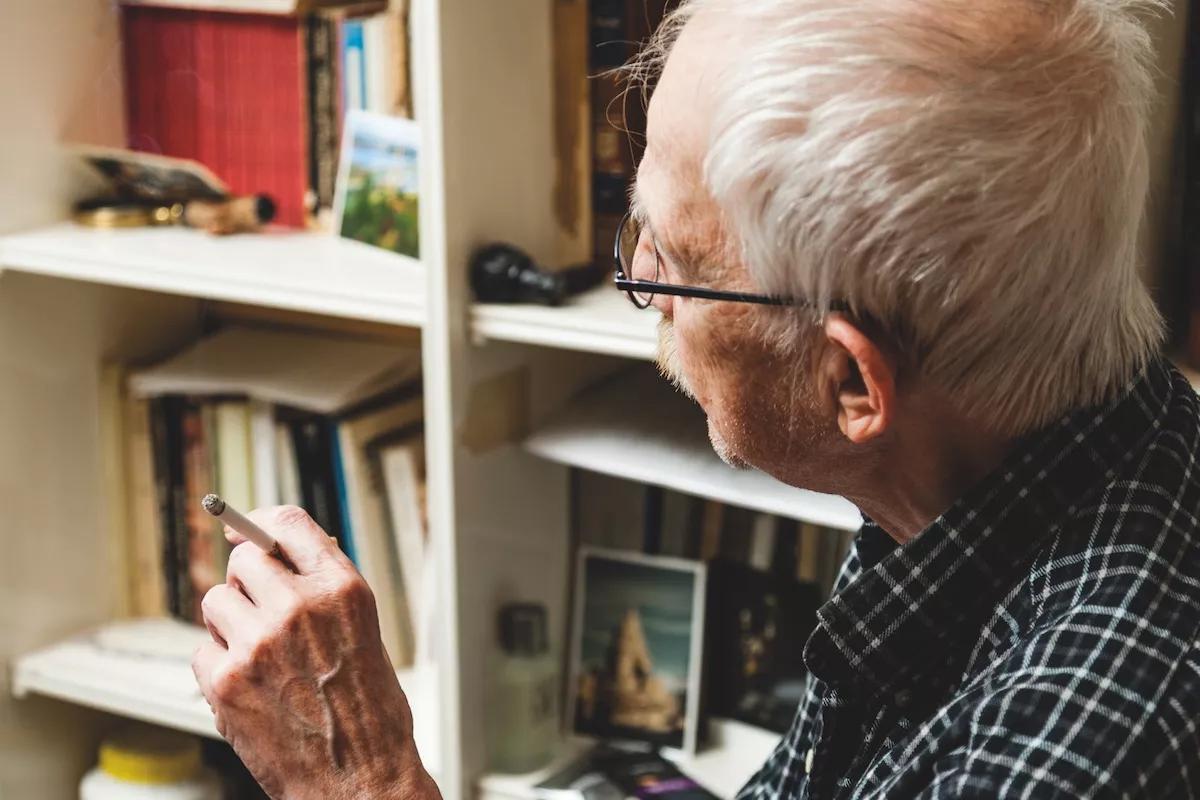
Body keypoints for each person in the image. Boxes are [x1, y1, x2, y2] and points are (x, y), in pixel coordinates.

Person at [194, 0, 1200, 797]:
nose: (638, 288)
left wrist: (361, 781)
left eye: (667, 259)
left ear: (850, 381)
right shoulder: (981, 491)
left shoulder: (1081, 744)